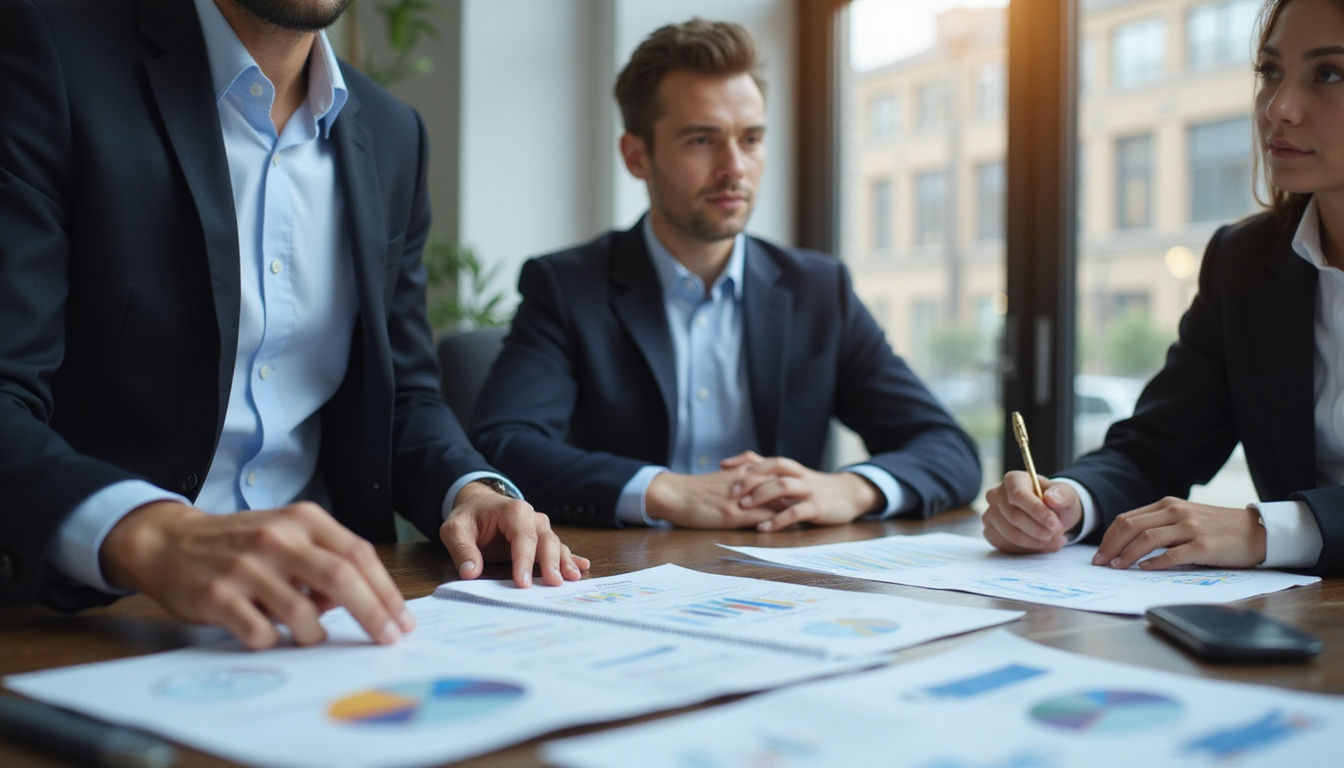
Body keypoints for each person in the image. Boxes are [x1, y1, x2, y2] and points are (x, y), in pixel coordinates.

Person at [0, 0, 587, 650]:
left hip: (336, 620)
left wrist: (470, 489)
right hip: (98, 620)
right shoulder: (46, 54)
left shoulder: (394, 135)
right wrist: (154, 532)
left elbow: (405, 399)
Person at [470, 19, 981, 532]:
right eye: (701, 140)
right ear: (636, 156)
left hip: (780, 576)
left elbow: (948, 448)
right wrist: (664, 491)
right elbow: (504, 445)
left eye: (751, 139)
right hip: (617, 575)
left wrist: (849, 488)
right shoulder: (566, 287)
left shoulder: (818, 289)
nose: (734, 167)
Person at [982, 0, 1343, 576]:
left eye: (1329, 74)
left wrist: (1263, 529)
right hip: (1303, 624)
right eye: (1270, 71)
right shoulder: (1245, 261)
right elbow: (1159, 446)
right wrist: (1070, 502)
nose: (1279, 107)